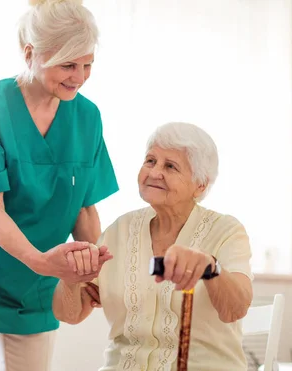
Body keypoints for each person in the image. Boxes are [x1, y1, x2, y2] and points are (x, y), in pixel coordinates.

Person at [0, 0, 118, 369]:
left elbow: (83, 208)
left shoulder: (87, 117)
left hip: (36, 288)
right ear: (31, 54)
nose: (79, 76)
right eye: (68, 65)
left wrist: (97, 269)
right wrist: (41, 262)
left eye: (87, 64)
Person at [53, 122, 255, 371]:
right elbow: (70, 315)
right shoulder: (120, 230)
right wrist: (70, 279)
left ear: (200, 184)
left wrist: (209, 267)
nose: (155, 172)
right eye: (150, 161)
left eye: (170, 166)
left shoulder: (226, 230)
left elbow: (235, 309)